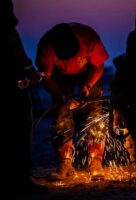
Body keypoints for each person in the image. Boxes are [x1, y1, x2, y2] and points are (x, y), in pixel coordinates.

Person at [35, 22, 109, 181]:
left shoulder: (89, 38)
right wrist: (61, 95)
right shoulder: (46, 47)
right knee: (61, 115)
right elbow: (44, 78)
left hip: (89, 72)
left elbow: (99, 66)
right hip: (59, 77)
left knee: (96, 114)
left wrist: (87, 87)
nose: (71, 61)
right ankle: (65, 163)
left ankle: (95, 162)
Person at [2, 0, 48, 196]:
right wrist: (30, 71)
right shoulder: (6, 27)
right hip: (10, 85)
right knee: (19, 126)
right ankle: (20, 178)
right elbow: (14, 45)